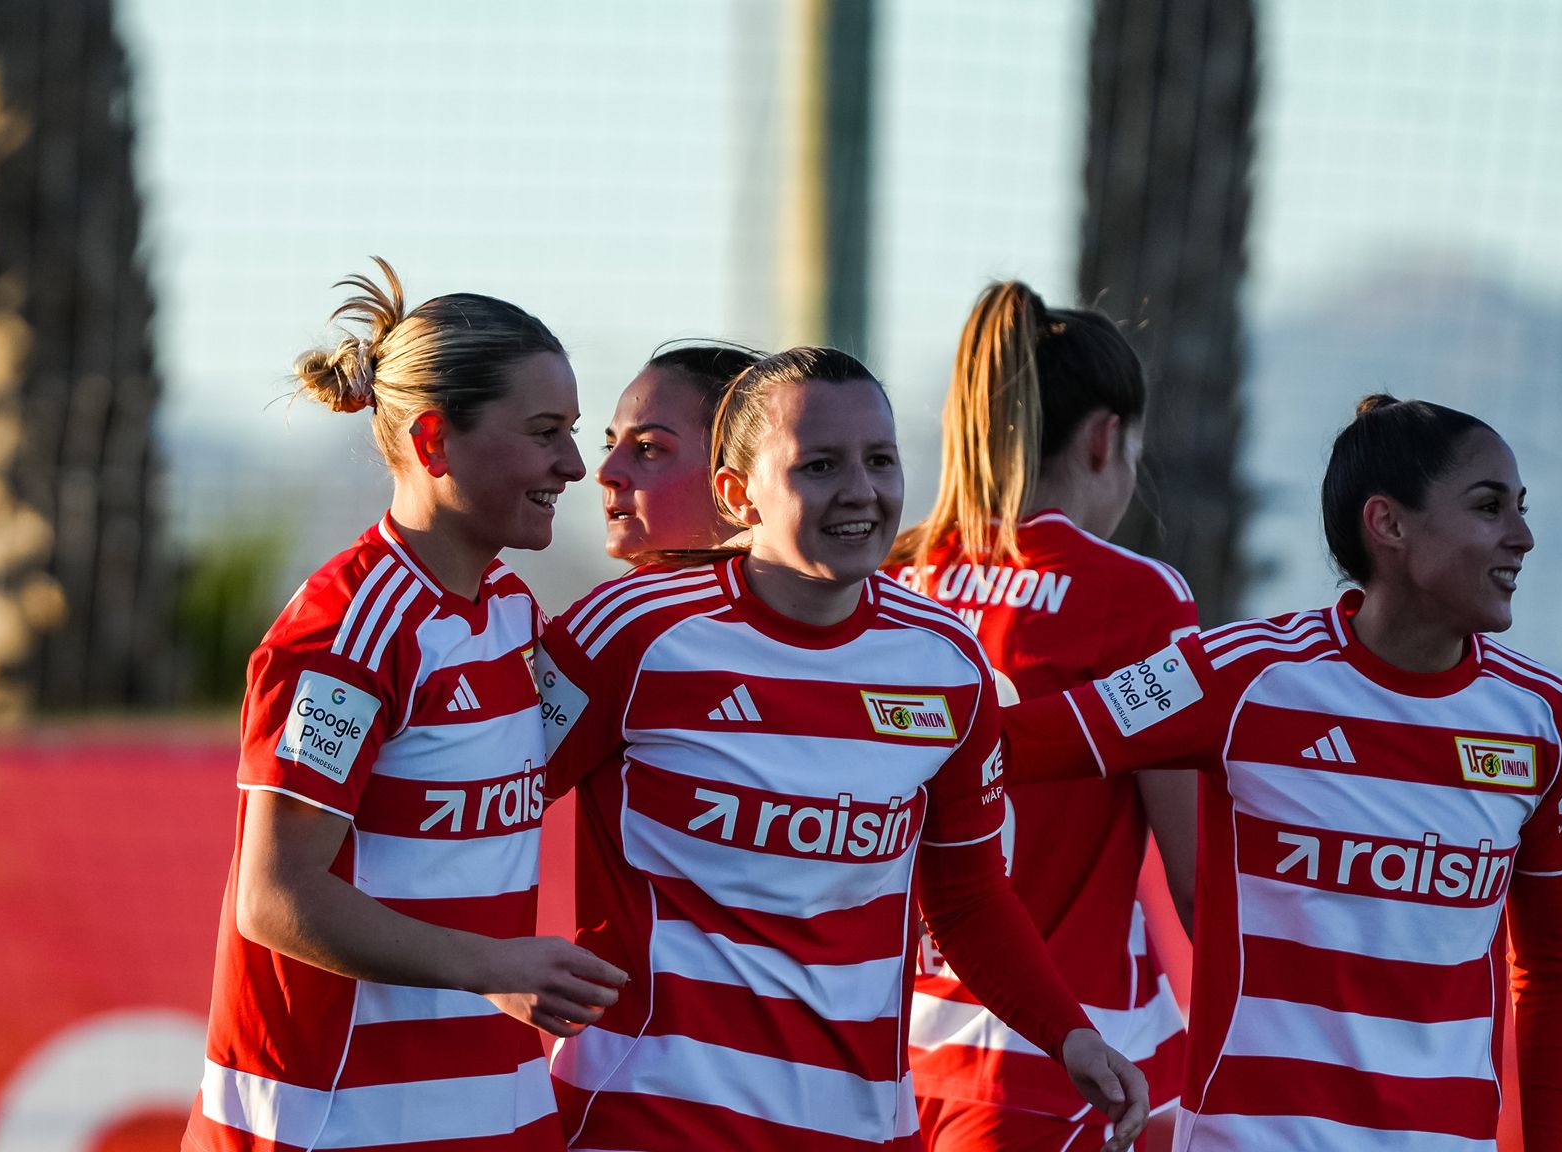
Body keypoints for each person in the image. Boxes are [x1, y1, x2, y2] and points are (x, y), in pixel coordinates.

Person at [534, 347, 1151, 1152]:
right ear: (737, 494)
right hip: (650, 1119)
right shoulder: (623, 632)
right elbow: (482, 815)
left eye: (880, 461)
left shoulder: (946, 660)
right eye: (820, 465)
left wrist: (1069, 1034)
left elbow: (966, 899)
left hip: (861, 1127)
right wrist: (496, 967)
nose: (861, 491)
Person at [1004, 396, 1562, 1152]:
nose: (1523, 537)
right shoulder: (1239, 674)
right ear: (1388, 525)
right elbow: (1017, 742)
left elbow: (1555, 969)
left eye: (1520, 508)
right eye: (1489, 507)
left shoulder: (1544, 718)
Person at [184, 259, 627, 1152]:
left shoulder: (509, 613)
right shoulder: (346, 635)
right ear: (433, 444)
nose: (575, 465)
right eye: (546, 432)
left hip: (491, 1105)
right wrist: (493, 967)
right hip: (333, 1117)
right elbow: (274, 898)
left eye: (574, 432)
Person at [890, 281, 1193, 1151]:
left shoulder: (891, 579)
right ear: (1107, 440)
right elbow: (1195, 870)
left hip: (888, 1052)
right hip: (1074, 1056)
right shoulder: (1137, 599)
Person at [598, 342, 761, 561]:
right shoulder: (617, 596)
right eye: (610, 447)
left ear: (737, 483)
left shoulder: (808, 590)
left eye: (647, 447)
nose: (604, 473)